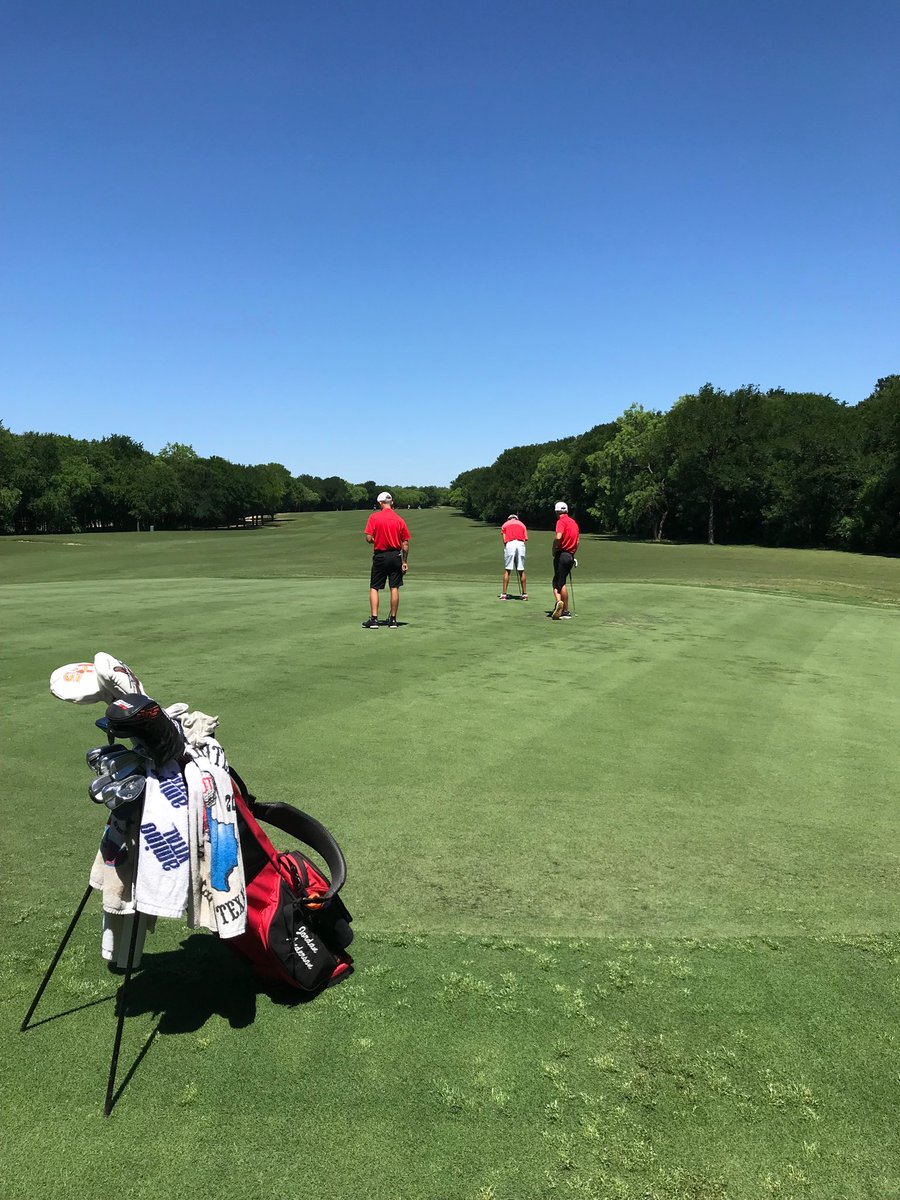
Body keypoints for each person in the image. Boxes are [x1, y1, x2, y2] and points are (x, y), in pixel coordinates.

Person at [362, 492, 410, 629]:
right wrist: (404, 562)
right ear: (391, 502)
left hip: (380, 556)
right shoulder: (400, 519)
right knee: (394, 587)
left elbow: (368, 538)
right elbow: (405, 544)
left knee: (374, 587)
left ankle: (374, 620)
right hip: (396, 556)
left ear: (380, 503)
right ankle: (393, 620)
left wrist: (375, 540)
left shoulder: (374, 517)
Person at [550, 501, 579, 620]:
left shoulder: (560, 521)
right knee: (560, 580)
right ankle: (562, 607)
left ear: (557, 512)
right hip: (571, 555)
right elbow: (577, 542)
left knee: (559, 583)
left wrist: (554, 548)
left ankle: (562, 607)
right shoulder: (574, 522)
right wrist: (572, 554)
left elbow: (558, 536)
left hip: (561, 554)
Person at [499, 513, 528, 599]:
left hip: (510, 544)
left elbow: (504, 540)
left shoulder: (505, 524)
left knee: (507, 569)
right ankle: (524, 594)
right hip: (520, 544)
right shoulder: (522, 525)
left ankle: (504, 594)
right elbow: (525, 539)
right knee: (521, 569)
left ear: (509, 518)